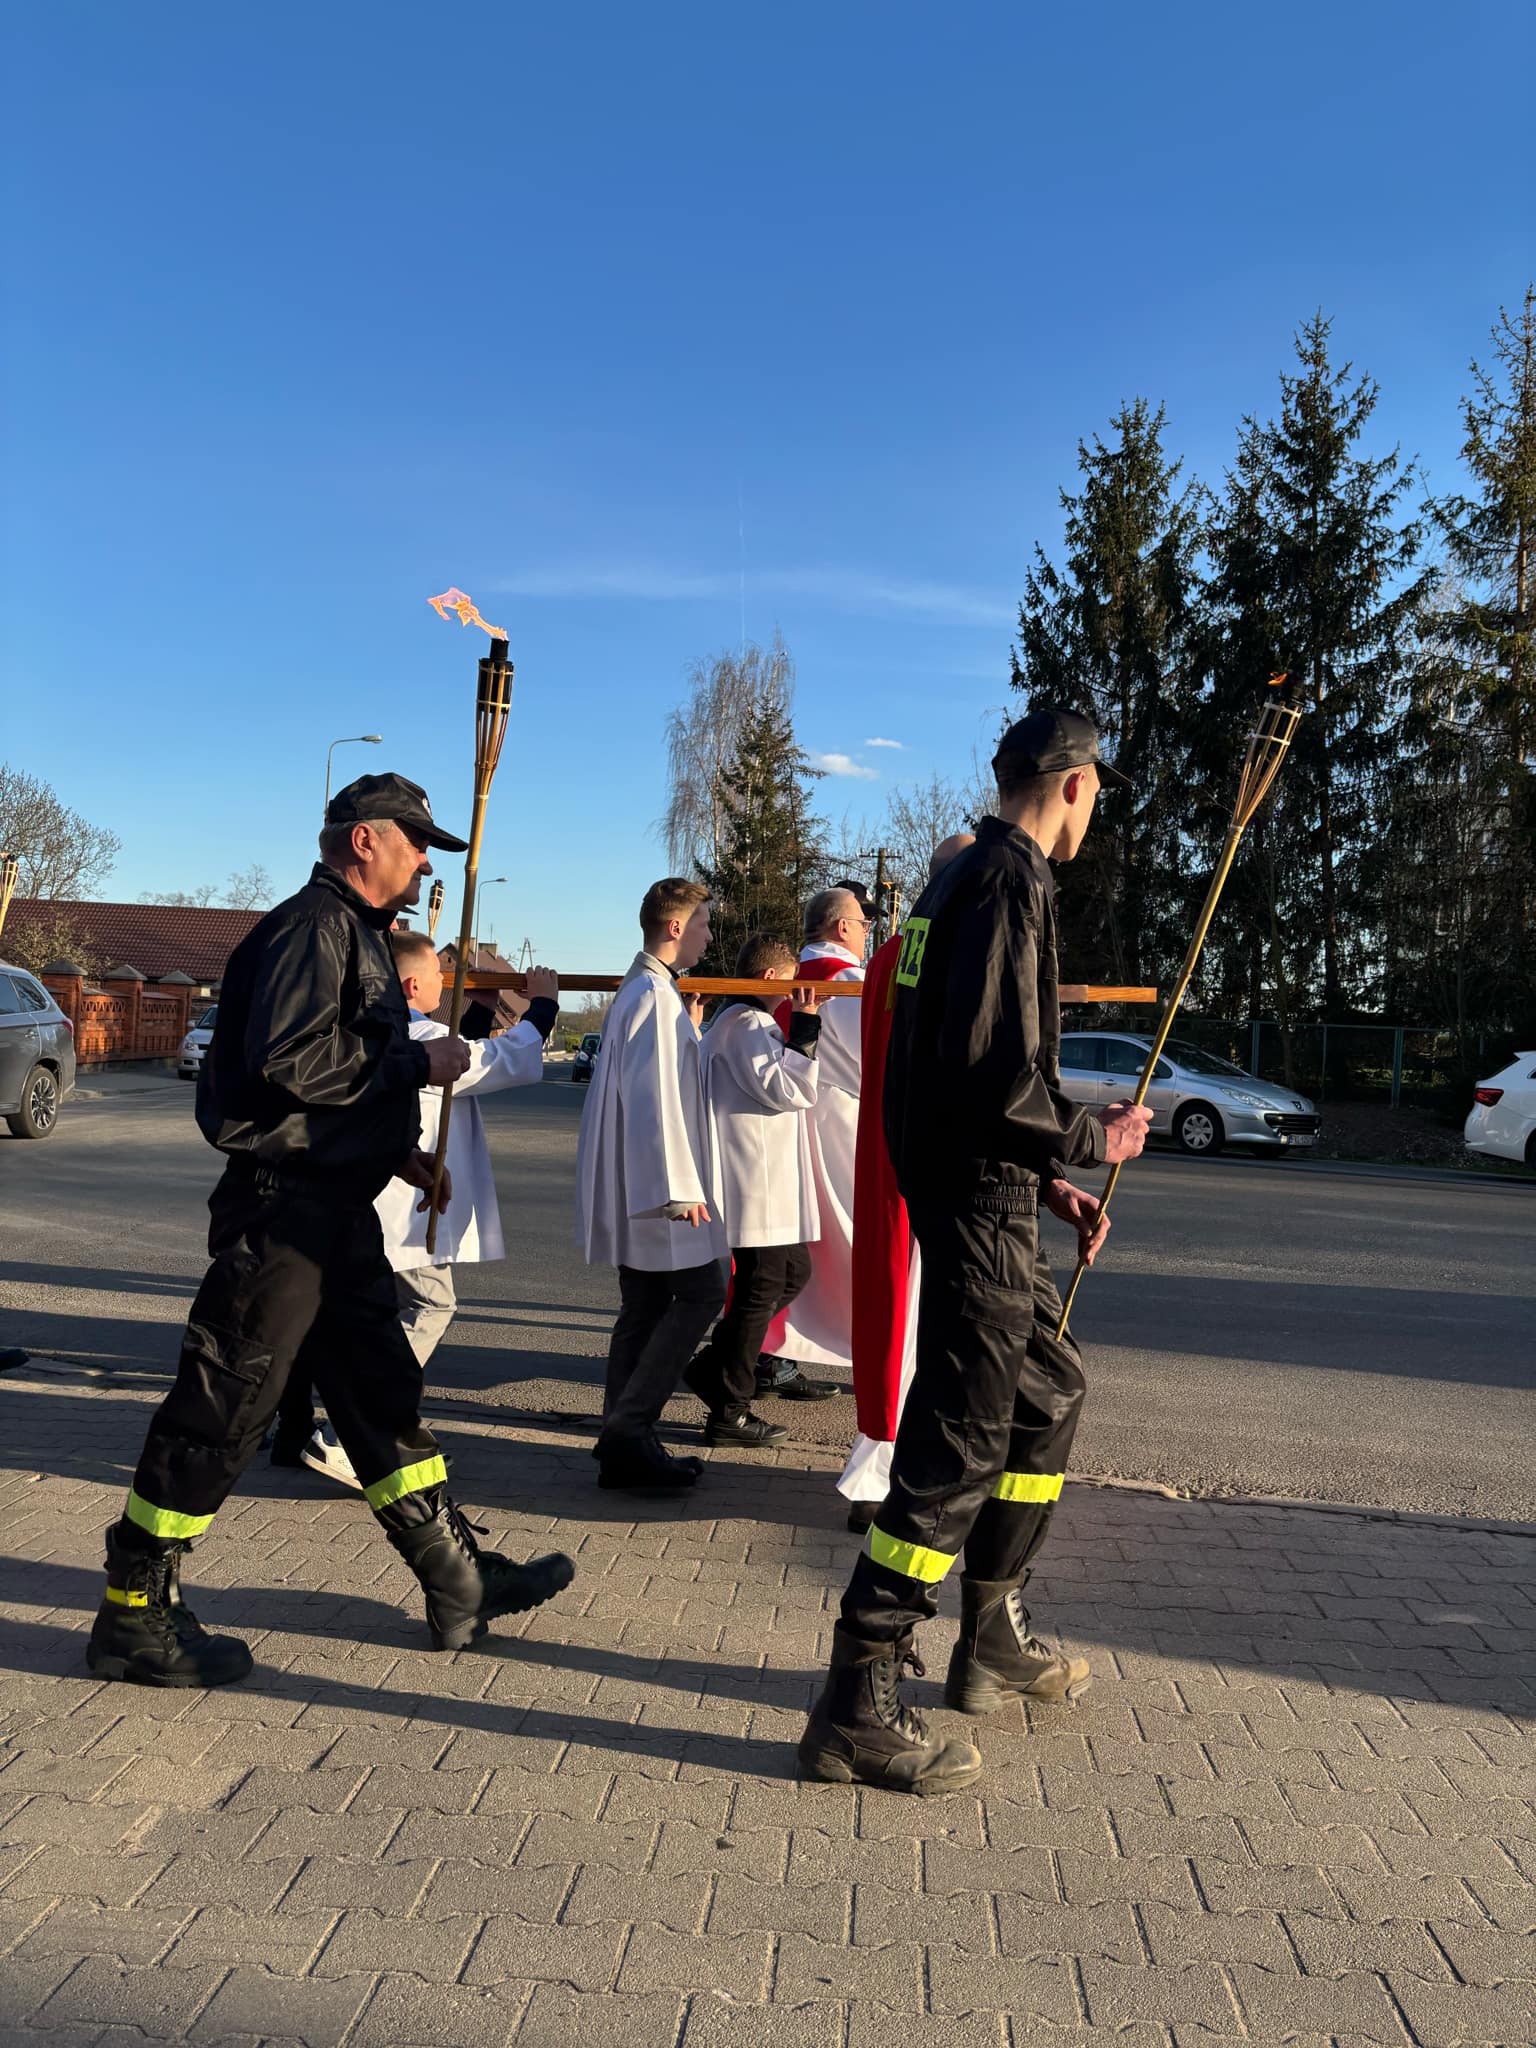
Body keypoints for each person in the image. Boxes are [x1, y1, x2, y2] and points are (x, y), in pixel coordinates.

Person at [85, 774, 574, 1688]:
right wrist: (419, 1064)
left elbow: (334, 1081)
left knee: (382, 1396)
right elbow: (289, 1062)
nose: (424, 863)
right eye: (416, 843)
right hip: (284, 1218)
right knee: (222, 1407)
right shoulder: (312, 929)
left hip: (336, 1212)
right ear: (364, 840)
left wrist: (394, 1152)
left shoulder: (359, 936)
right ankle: (134, 1608)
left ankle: (458, 1582)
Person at [799, 710, 1153, 1793]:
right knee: (955, 1451)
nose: (1095, 813)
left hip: (982, 1194)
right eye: (1098, 794)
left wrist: (1044, 1178)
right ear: (1075, 784)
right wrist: (1093, 1138)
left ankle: (991, 1635)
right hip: (976, 1213)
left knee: (1049, 1393)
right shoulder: (1006, 881)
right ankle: (856, 1699)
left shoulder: (954, 883)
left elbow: (944, 1075)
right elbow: (997, 1078)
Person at [275, 930, 563, 1488]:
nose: (445, 983)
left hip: (364, 1200)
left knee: (331, 1316)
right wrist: (543, 1006)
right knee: (429, 1306)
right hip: (403, 1208)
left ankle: (297, 1431)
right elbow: (498, 1062)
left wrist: (478, 1013)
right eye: (437, 975)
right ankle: (351, 1436)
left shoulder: (375, 1028)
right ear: (411, 985)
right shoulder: (417, 1035)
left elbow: (458, 1059)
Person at [839, 834, 974, 1532]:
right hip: (929, 1156)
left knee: (896, 1309)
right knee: (917, 1315)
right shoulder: (946, 947)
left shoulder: (892, 950)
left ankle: (885, 1465)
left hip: (890, 1147)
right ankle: (892, 1474)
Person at [575, 878, 726, 1492]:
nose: (709, 935)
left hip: (643, 1180)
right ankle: (628, 1430)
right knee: (702, 1293)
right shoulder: (654, 997)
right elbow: (654, 1098)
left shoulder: (647, 990)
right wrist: (678, 1187)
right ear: (675, 927)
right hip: (660, 1186)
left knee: (642, 1306)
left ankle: (623, 1443)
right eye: (704, 924)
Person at [687, 934, 825, 1449]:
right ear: (769, 978)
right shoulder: (745, 1024)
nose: (793, 992)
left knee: (791, 1273)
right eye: (789, 982)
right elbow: (790, 1089)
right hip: (753, 1178)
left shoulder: (741, 1022)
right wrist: (806, 1027)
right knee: (759, 1289)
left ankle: (713, 1367)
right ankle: (730, 1410)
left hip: (764, 1177)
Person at [758, 887, 870, 1394]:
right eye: (863, 924)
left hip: (782, 1125)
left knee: (786, 1243)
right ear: (842, 927)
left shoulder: (784, 976)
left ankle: (768, 1352)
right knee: (844, 1246)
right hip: (837, 1127)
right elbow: (876, 1057)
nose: (866, 934)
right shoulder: (846, 982)